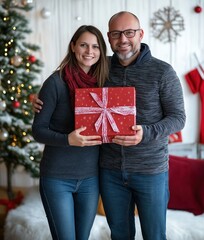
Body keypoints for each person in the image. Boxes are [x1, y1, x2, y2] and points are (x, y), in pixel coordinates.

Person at [33, 11, 186, 240]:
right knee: (120, 234)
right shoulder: (102, 69)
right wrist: (35, 98)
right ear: (109, 37)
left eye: (129, 32)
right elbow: (66, 87)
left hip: (150, 170)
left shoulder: (162, 72)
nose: (123, 39)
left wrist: (146, 133)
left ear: (140, 34)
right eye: (116, 34)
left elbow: (178, 118)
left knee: (155, 235)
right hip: (110, 171)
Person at [32, 25, 109, 240]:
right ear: (73, 46)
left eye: (95, 46)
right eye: (83, 45)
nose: (89, 51)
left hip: (90, 179)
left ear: (102, 51)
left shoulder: (104, 84)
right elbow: (38, 131)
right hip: (57, 178)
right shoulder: (55, 83)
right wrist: (68, 139)